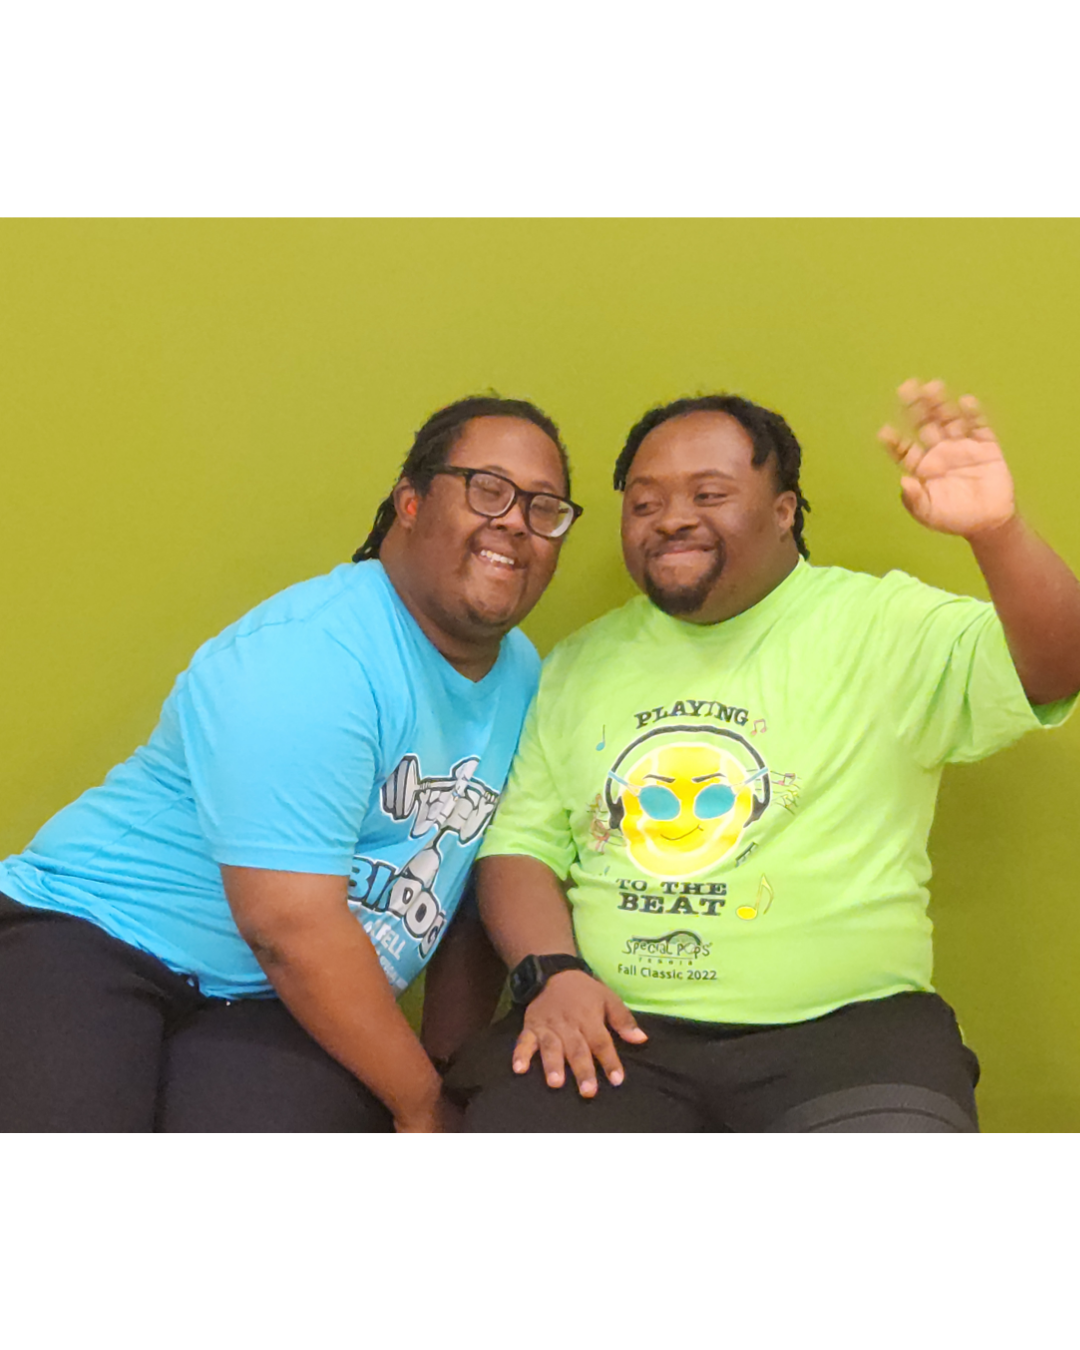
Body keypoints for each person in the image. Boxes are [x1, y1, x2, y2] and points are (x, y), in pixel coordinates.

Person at [449, 381, 1080, 1135]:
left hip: (851, 1036)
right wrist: (551, 974)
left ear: (784, 511)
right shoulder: (580, 663)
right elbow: (521, 846)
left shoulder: (883, 625)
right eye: (644, 503)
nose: (672, 518)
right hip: (617, 1034)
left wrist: (996, 532)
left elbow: (1060, 665)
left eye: (708, 493)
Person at [0, 396, 582, 1135]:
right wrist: (422, 1109)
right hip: (96, 934)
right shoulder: (309, 656)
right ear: (410, 500)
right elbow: (289, 928)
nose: (515, 522)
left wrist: (448, 1071)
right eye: (487, 489)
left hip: (273, 1004)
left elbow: (469, 888)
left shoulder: (525, 677)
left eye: (544, 507)